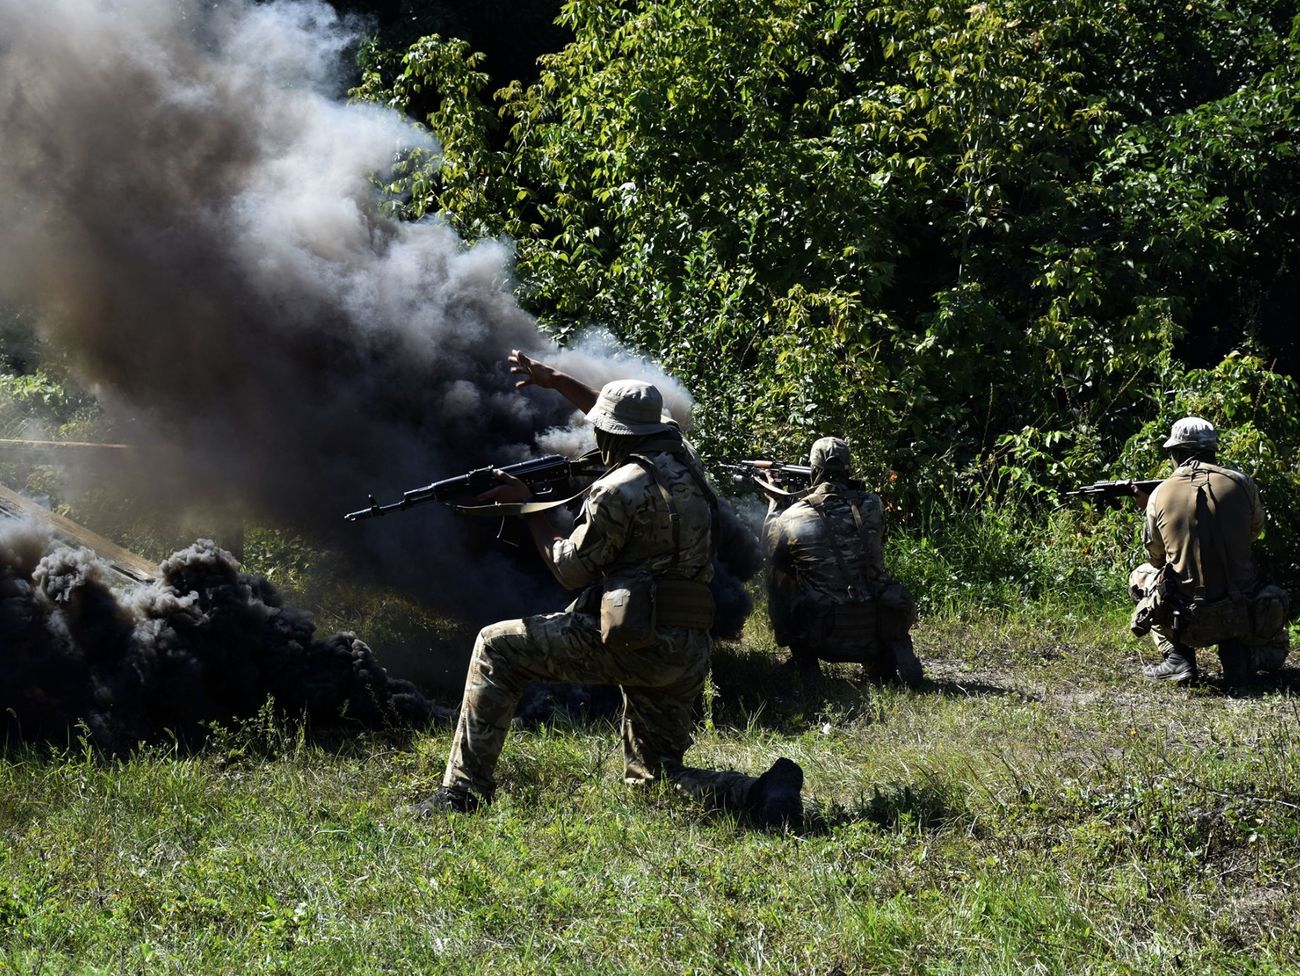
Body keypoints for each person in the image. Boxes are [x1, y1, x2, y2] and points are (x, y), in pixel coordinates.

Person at [418, 364, 804, 829]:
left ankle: (462, 793)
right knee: (654, 778)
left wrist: (527, 507)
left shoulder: (615, 490)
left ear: (617, 435)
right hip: (688, 648)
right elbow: (628, 419)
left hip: (633, 640)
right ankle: (757, 793)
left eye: (603, 428)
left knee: (496, 646)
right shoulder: (686, 463)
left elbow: (569, 569)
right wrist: (558, 381)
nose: (596, 433)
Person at [1129, 416, 1290, 686]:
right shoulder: (1242, 483)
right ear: (1213, 450)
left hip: (1186, 618)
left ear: (1176, 452)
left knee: (1140, 576)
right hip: (1240, 613)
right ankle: (1241, 656)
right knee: (1273, 645)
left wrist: (1151, 511)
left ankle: (1177, 658)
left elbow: (1155, 557)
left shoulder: (1159, 493)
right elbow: (1254, 532)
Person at [762, 437, 922, 686]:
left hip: (823, 634)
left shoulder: (793, 515)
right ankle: (881, 660)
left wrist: (775, 504)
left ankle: (805, 661)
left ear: (814, 470)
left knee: (779, 575)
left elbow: (771, 552)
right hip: (876, 627)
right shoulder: (873, 505)